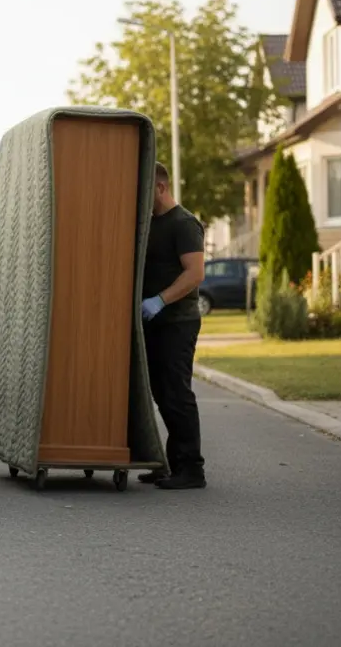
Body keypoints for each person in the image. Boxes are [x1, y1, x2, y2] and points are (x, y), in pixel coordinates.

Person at [139, 161, 208, 490]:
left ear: (161, 188)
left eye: (146, 190)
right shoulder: (152, 223)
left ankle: (192, 468)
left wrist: (160, 300)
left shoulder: (183, 223)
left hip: (177, 322)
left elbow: (195, 273)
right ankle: (170, 463)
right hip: (156, 323)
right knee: (161, 393)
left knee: (176, 393)